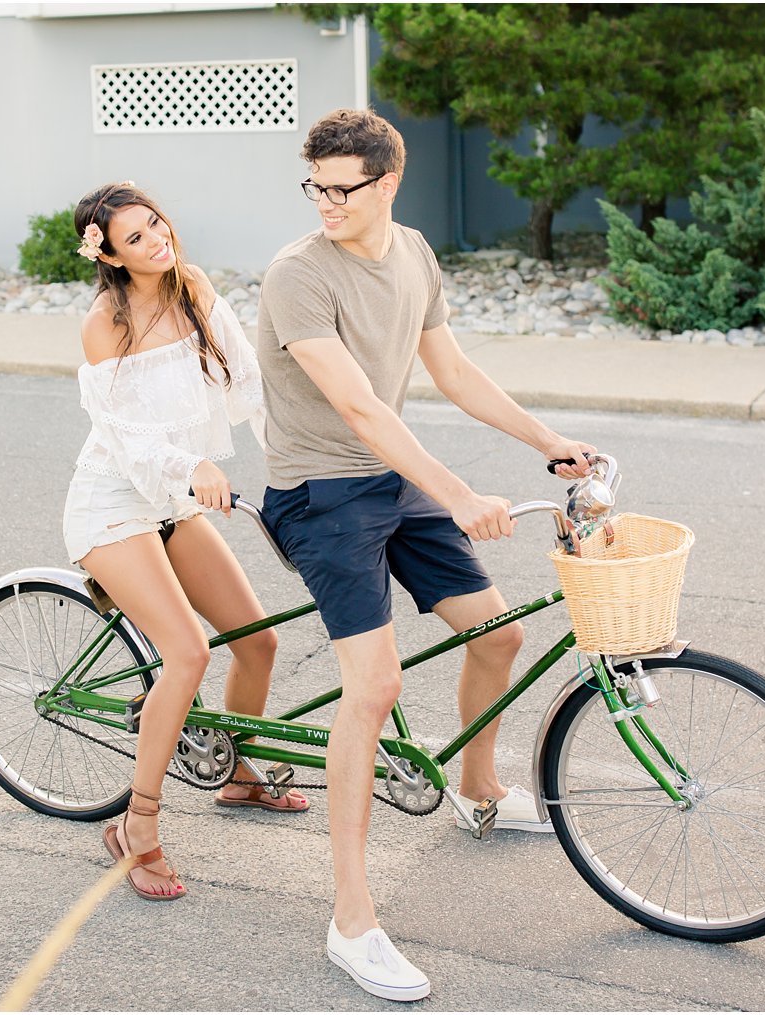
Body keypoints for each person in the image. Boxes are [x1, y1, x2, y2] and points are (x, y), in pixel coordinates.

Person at [255, 110, 598, 1000]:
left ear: (387, 182)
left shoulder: (412, 253)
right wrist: (455, 491)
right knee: (374, 688)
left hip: (391, 477)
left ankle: (478, 790)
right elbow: (362, 407)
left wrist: (547, 440)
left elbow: (454, 372)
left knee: (498, 636)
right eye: (316, 187)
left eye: (344, 188)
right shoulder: (298, 275)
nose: (327, 203)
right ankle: (352, 919)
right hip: (319, 492)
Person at [64, 181, 308, 903]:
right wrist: (192, 467)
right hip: (113, 506)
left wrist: (302, 457)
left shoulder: (193, 287)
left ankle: (239, 771)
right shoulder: (103, 325)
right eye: (134, 237)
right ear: (106, 253)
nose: (156, 240)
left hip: (173, 504)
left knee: (256, 638)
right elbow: (128, 439)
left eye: (155, 223)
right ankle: (136, 829)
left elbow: (251, 384)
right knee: (188, 652)